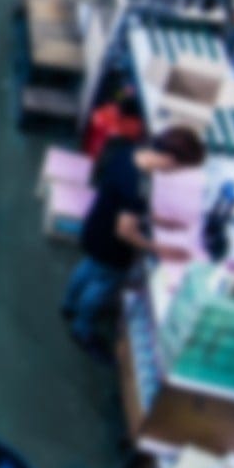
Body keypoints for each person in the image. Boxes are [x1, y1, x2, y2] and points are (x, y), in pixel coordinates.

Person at [62, 126, 208, 358]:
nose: (176, 173)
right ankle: (82, 327)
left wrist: (156, 218)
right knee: (102, 286)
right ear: (170, 159)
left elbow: (124, 201)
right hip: (111, 247)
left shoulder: (132, 151)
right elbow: (125, 233)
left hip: (95, 226)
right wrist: (161, 249)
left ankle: (69, 305)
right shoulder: (136, 186)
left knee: (88, 267)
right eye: (180, 168)